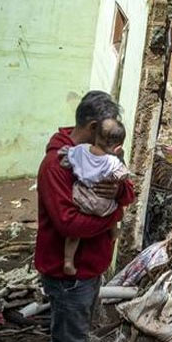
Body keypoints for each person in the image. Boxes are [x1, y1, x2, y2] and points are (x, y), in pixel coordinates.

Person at [34, 91, 134, 342]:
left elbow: (126, 189)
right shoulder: (57, 165)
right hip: (68, 275)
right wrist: (113, 216)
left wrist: (117, 196)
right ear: (92, 127)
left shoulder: (99, 154)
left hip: (88, 268)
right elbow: (68, 224)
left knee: (70, 336)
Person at [60, 117, 129, 276]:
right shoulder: (111, 161)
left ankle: (68, 261)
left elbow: (66, 158)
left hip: (81, 198)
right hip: (101, 201)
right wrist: (115, 172)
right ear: (118, 147)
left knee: (73, 235)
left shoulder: (81, 150)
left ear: (96, 136)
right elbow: (123, 175)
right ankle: (114, 232)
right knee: (115, 209)